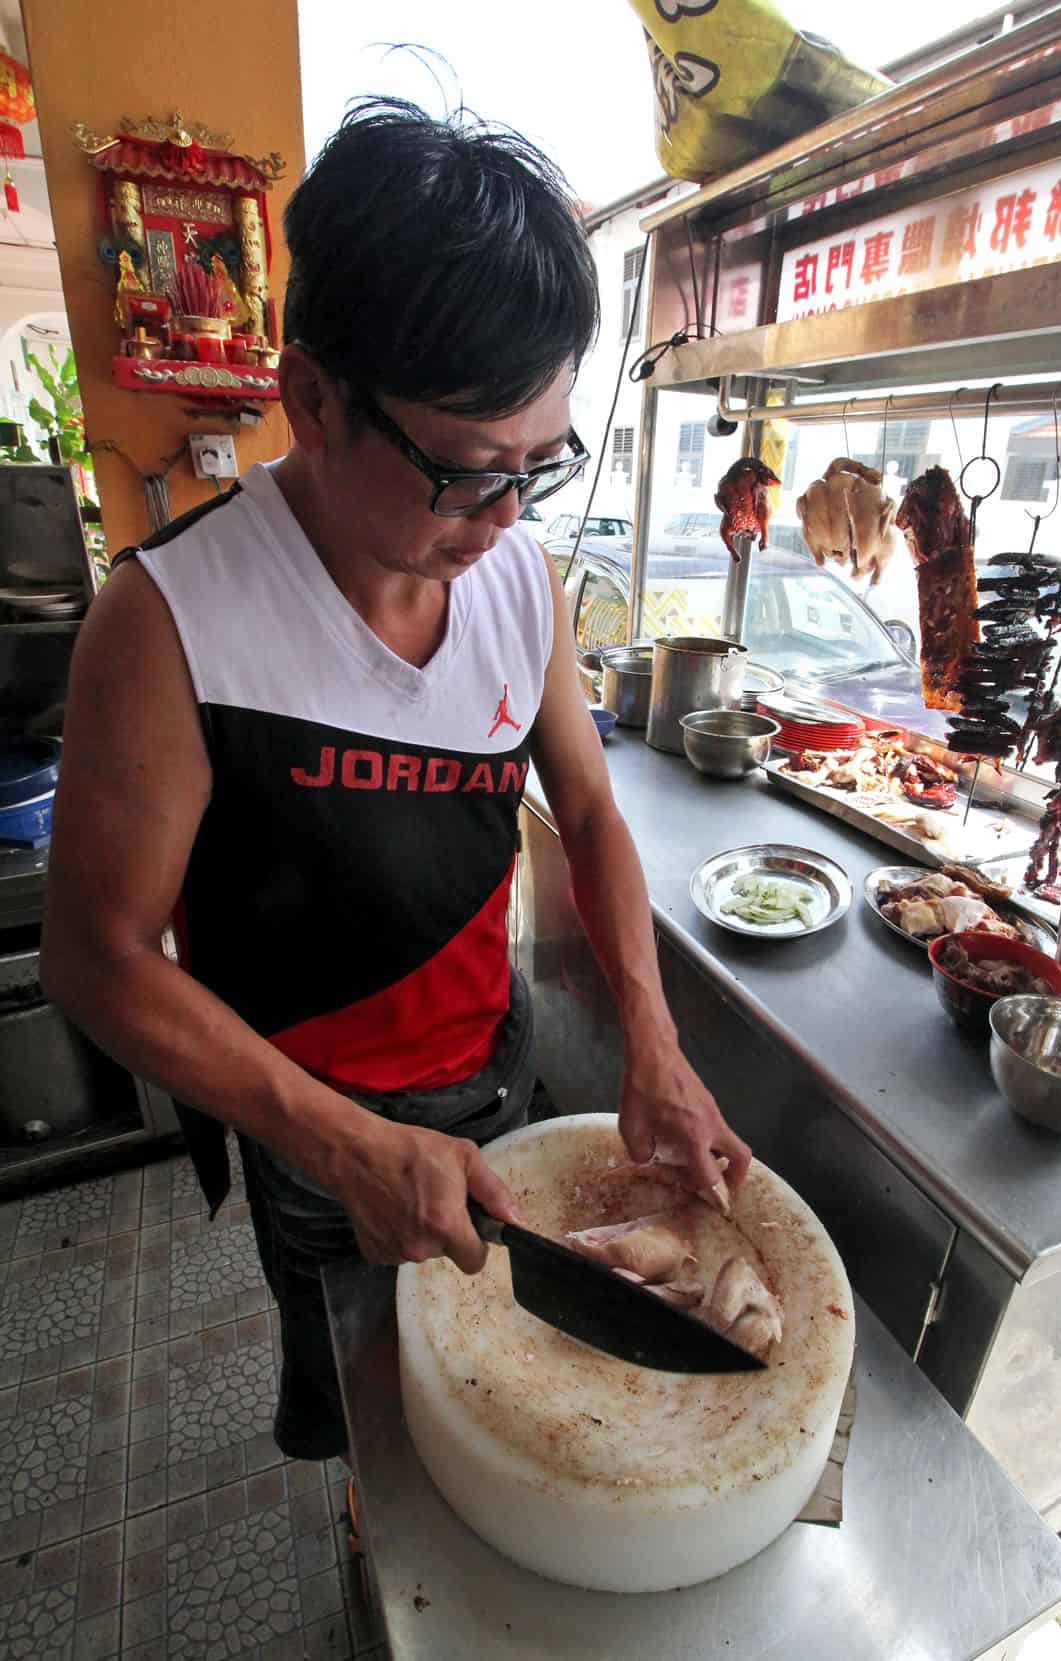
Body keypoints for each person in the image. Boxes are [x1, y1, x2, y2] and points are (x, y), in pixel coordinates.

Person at [40, 99, 751, 1468]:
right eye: (466, 475)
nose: (502, 523)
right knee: (379, 1427)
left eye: (535, 471)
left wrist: (654, 1044)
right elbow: (95, 956)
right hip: (309, 1127)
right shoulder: (170, 624)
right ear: (313, 398)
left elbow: (592, 812)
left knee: (515, 1398)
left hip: (494, 1073)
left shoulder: (519, 585)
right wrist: (340, 1142)